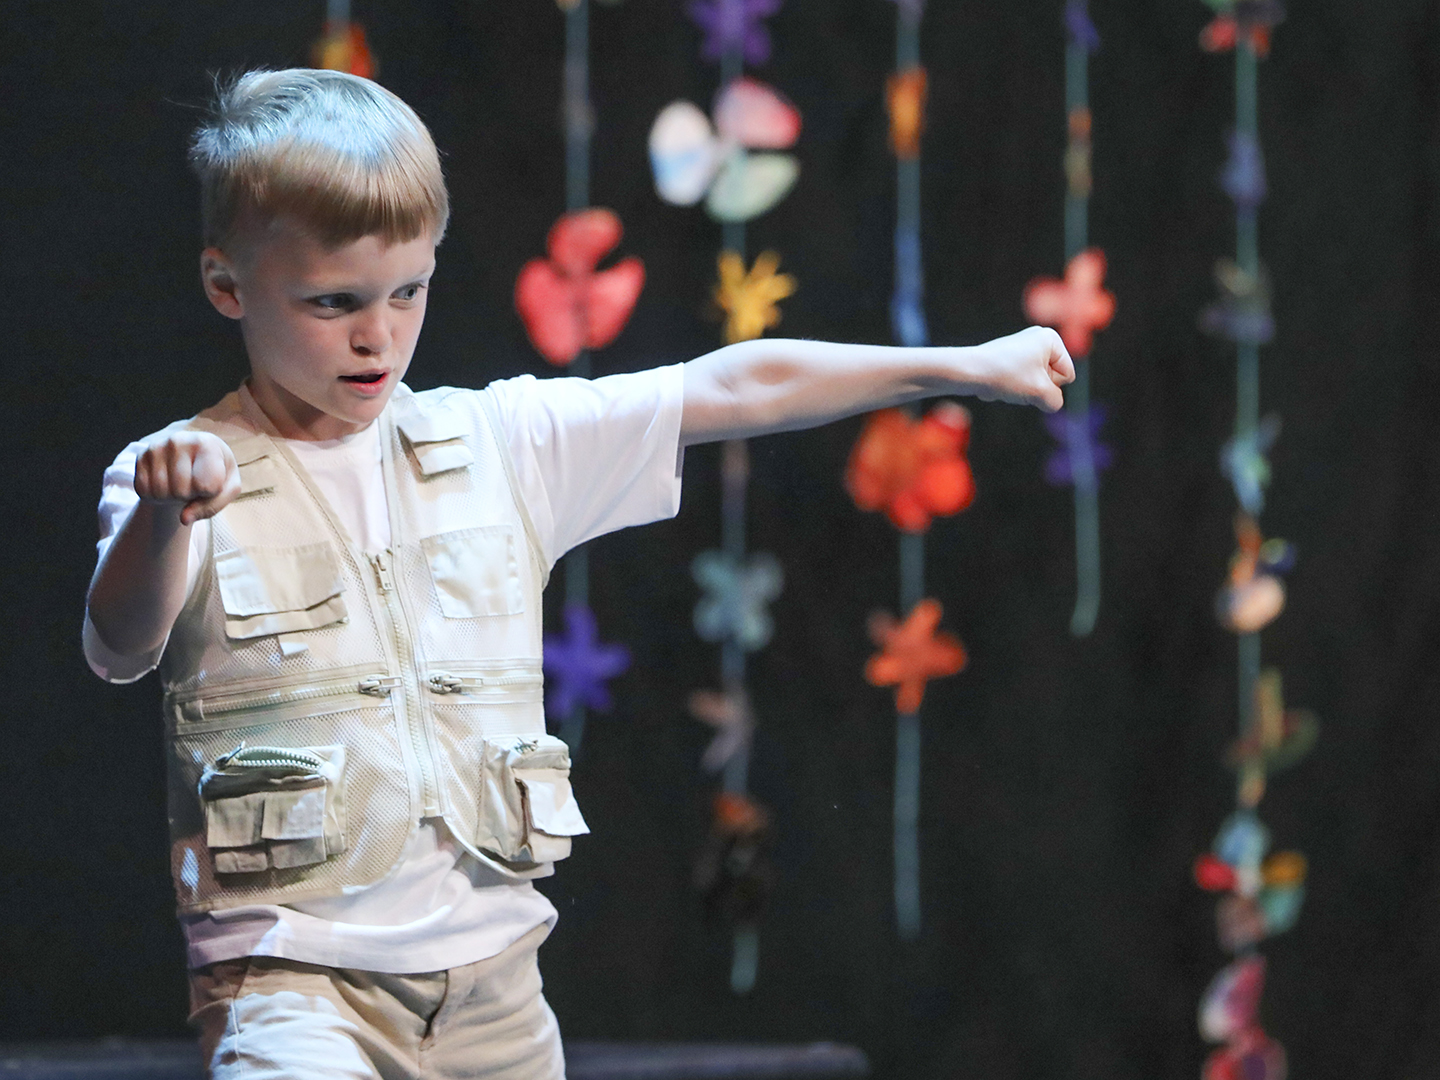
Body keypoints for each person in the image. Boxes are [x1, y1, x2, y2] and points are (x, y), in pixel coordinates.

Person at [84, 68, 1073, 1080]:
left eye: (409, 290)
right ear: (228, 286)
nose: (378, 334)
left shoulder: (504, 442)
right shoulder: (177, 471)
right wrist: (165, 517)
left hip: (495, 994)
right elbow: (119, 645)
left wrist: (963, 365)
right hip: (295, 985)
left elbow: (736, 382)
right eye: (333, 302)